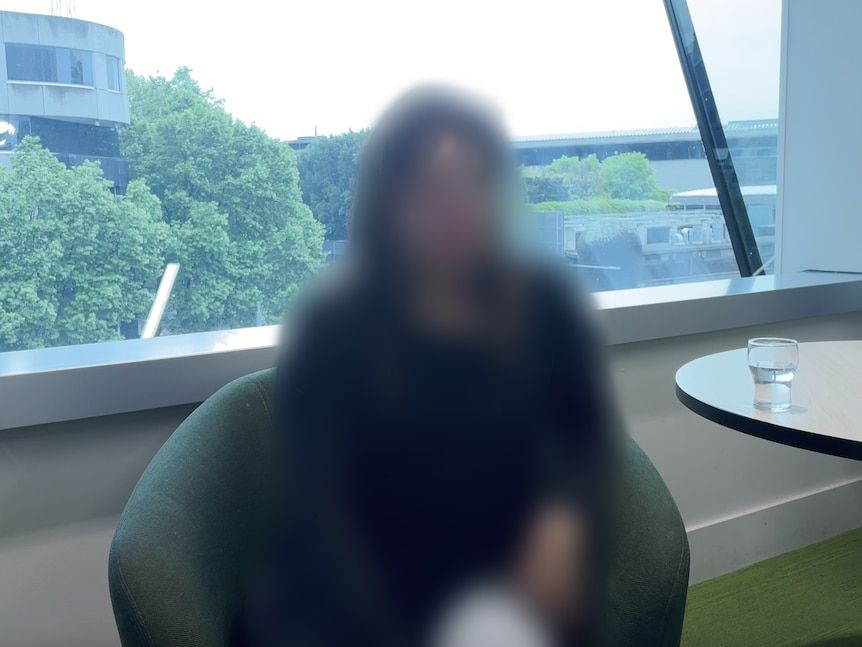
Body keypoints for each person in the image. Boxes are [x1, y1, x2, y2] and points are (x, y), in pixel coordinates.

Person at [234, 86, 622, 647]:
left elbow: (582, 436)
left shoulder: (543, 307)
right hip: (351, 598)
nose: (455, 208)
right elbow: (322, 518)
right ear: (387, 200)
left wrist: (560, 522)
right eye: (429, 186)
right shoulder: (335, 327)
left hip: (501, 585)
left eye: (473, 182)